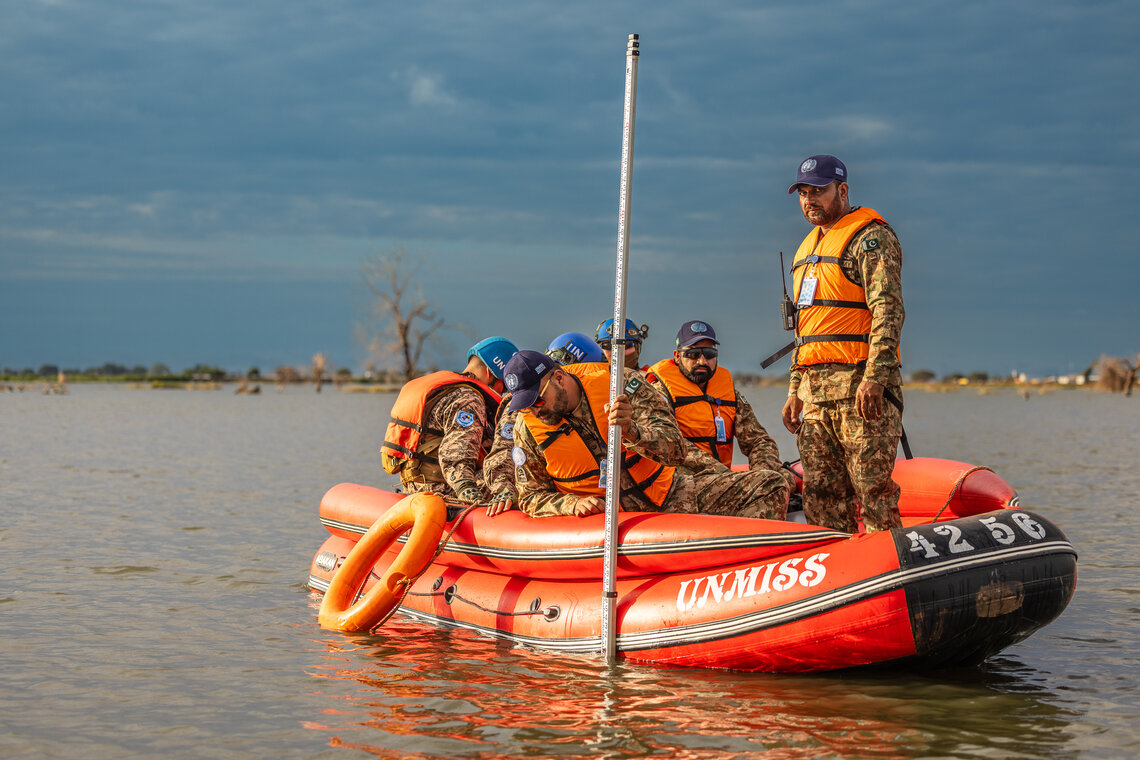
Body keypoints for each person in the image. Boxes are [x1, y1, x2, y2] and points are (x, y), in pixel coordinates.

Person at [504, 350, 788, 520]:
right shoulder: (527, 427)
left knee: (771, 484)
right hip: (607, 523)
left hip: (670, 496)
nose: (534, 409)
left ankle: (749, 573)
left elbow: (676, 449)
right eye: (525, 404)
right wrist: (571, 503)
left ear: (559, 378)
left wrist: (633, 431)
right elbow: (530, 496)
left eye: (538, 399)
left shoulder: (623, 385)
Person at [780, 155, 905, 533]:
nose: (809, 199)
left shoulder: (870, 238)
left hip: (859, 388)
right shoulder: (806, 251)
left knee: (872, 490)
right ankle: (836, 574)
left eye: (818, 190)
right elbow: (806, 330)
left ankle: (893, 574)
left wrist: (877, 378)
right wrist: (794, 389)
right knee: (821, 495)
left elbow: (889, 309)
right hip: (815, 394)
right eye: (803, 192)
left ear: (843, 190)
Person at [647, 321, 794, 514]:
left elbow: (759, 440)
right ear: (677, 356)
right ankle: (751, 540)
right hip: (680, 483)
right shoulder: (659, 393)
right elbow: (670, 445)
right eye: (693, 355)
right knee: (768, 485)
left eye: (709, 355)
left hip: (721, 480)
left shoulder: (728, 392)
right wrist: (724, 474)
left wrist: (762, 468)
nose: (702, 361)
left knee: (785, 478)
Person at [380, 336, 517, 502]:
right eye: (503, 386)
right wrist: (468, 490)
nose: (501, 393)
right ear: (490, 374)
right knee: (521, 480)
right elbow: (457, 452)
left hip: (413, 486)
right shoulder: (469, 399)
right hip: (446, 490)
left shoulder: (441, 388)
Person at [484, 332, 604, 516]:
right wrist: (504, 490)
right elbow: (504, 452)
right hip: (561, 501)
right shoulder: (524, 407)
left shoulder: (603, 390)